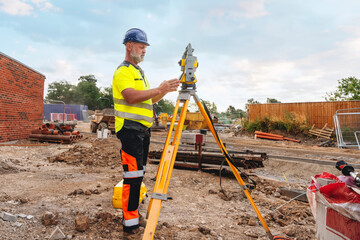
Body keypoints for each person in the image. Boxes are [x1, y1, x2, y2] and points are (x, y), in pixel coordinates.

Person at [112, 28, 179, 236]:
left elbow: (147, 99)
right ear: (129, 46)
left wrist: (162, 91)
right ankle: (129, 224)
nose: (144, 51)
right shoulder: (123, 71)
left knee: (138, 175)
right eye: (141, 46)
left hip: (142, 131)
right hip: (130, 130)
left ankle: (132, 218)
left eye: (145, 48)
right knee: (132, 177)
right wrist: (159, 89)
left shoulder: (138, 72)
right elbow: (131, 97)